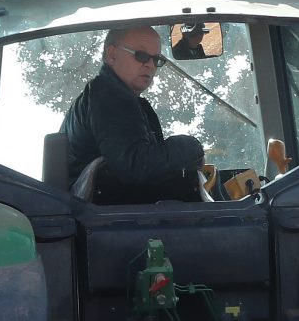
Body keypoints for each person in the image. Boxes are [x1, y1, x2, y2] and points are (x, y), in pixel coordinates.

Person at [60, 24, 207, 202]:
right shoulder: (107, 94)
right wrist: (192, 147)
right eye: (142, 56)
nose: (150, 65)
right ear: (112, 54)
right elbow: (136, 166)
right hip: (102, 221)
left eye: (156, 59)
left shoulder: (118, 99)